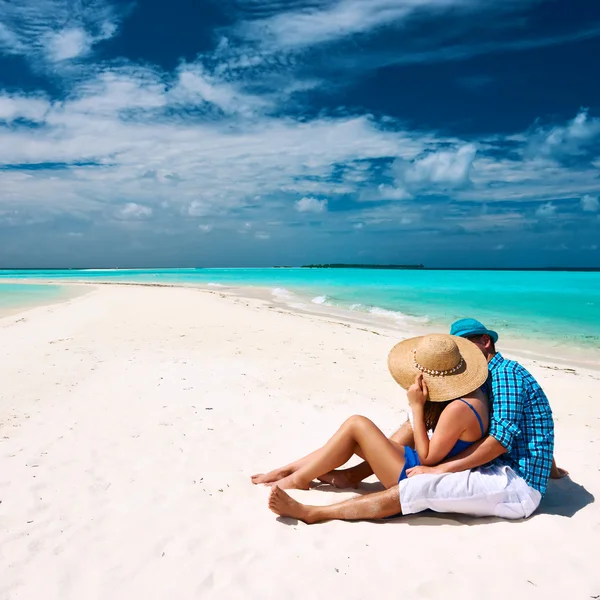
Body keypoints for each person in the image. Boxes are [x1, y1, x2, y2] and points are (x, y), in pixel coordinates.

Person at [268, 318, 560, 523]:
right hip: (498, 465)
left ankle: (312, 512)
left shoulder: (503, 375)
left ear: (485, 342)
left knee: (413, 488)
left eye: (466, 347)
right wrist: (551, 466)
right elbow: (528, 423)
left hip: (516, 483)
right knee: (379, 432)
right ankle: (312, 472)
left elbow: (500, 440)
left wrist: (438, 467)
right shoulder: (484, 382)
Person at [252, 333, 489, 491]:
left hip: (412, 477)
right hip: (415, 465)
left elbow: (428, 459)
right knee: (352, 439)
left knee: (357, 424)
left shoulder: (458, 408)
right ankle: (294, 469)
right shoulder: (474, 396)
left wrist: (417, 407)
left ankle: (298, 479)